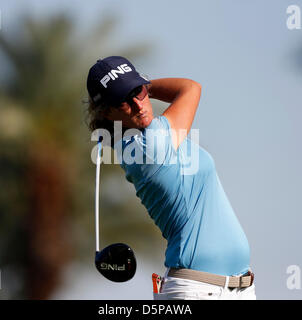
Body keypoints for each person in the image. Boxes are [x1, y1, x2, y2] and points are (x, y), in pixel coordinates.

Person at [85, 56, 256, 300]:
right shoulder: (148, 146)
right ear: (108, 112)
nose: (137, 104)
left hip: (237, 288)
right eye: (123, 100)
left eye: (138, 92)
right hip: (197, 291)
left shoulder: (146, 137)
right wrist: (147, 87)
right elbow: (190, 88)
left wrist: (135, 86)